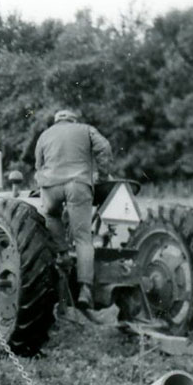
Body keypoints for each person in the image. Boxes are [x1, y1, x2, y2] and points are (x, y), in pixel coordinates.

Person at [35, 109, 112, 310]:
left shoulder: (45, 135)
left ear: (56, 121)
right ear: (73, 120)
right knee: (83, 239)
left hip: (51, 187)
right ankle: (86, 290)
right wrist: (102, 176)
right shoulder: (86, 130)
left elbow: (38, 165)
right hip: (78, 184)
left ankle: (63, 254)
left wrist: (46, 181)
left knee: (51, 215)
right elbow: (104, 148)